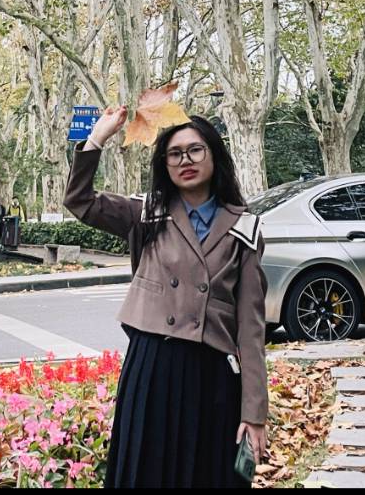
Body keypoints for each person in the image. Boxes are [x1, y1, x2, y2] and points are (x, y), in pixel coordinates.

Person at [64, 106, 268, 489]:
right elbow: (80, 201)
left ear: (214, 155)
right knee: (147, 472)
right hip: (153, 366)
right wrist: (97, 138)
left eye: (195, 150)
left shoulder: (244, 228)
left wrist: (255, 413)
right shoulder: (147, 213)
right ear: (165, 165)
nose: (185, 161)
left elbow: (251, 331)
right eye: (174, 154)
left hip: (213, 375)